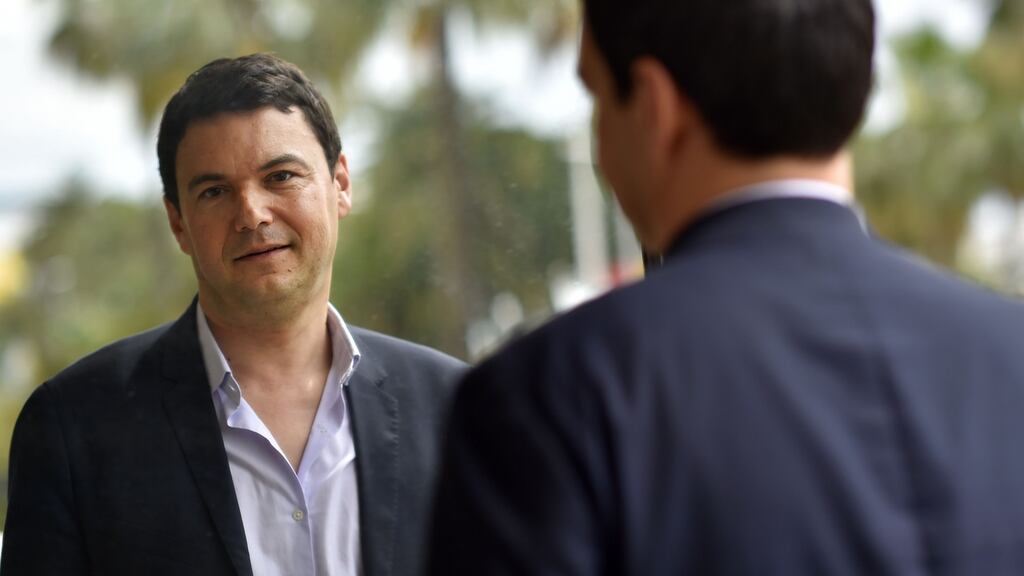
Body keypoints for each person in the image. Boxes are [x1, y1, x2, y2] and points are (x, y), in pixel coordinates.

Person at [429, 0, 1024, 573]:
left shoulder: (551, 394)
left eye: (598, 98)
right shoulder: (1008, 349)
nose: (599, 141)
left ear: (655, 108)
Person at [1, 53, 464, 576]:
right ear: (178, 222)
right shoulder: (73, 430)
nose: (252, 213)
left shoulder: (458, 409)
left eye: (281, 176)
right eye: (215, 191)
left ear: (341, 184)